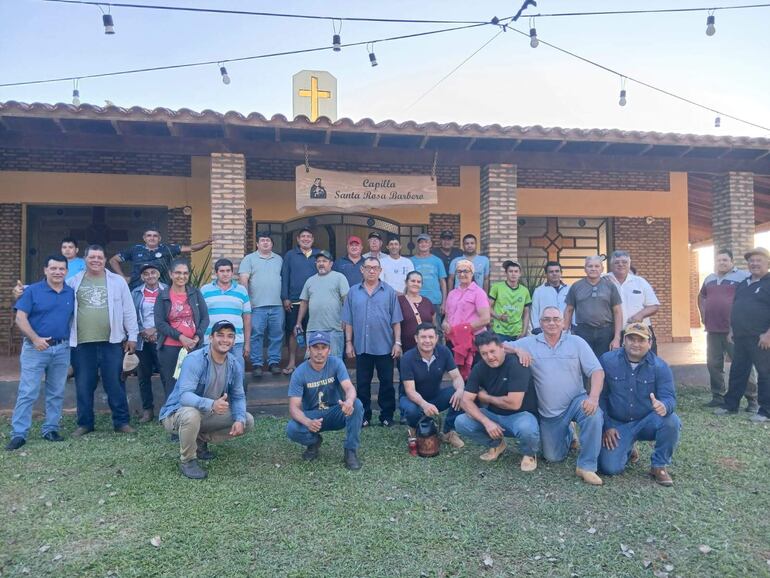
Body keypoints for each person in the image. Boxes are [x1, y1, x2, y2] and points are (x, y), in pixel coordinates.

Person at [507, 306, 605, 485]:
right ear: (540, 323)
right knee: (553, 457)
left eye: (556, 319)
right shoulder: (529, 343)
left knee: (593, 414)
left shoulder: (576, 342)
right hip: (551, 412)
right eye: (546, 319)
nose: (551, 323)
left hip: (577, 401)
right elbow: (498, 346)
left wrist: (593, 398)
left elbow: (597, 371)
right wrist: (517, 350)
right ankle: (569, 433)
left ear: (563, 323)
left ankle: (586, 466)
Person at [159, 320, 255, 480]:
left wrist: (239, 418)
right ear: (211, 338)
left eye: (230, 336)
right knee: (191, 415)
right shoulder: (195, 359)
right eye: (220, 335)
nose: (225, 340)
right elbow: (184, 396)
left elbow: (238, 396)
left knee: (247, 420)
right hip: (176, 413)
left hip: (207, 413)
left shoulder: (234, 364)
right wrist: (211, 404)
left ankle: (199, 440)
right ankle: (188, 460)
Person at [598, 323, 681, 486]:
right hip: (617, 425)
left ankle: (659, 466)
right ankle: (628, 448)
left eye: (641, 340)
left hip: (646, 422)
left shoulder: (660, 366)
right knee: (609, 468)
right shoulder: (607, 361)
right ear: (623, 341)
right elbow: (601, 397)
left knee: (672, 421)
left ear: (649, 343)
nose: (636, 344)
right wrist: (607, 426)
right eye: (631, 339)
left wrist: (664, 406)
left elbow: (669, 397)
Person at [5, 255, 74, 451]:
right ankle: (19, 433)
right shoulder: (32, 291)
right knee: (28, 391)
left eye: (62, 269)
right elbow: (20, 318)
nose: (58, 272)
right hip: (35, 348)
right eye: (53, 268)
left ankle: (51, 428)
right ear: (45, 270)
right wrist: (35, 339)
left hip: (61, 348)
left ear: (66, 271)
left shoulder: (70, 292)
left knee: (56, 392)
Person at [70, 245, 139, 437]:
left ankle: (121, 422)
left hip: (112, 342)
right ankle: (85, 424)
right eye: (92, 257)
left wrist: (132, 336)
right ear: (85, 259)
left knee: (115, 383)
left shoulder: (117, 281)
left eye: (100, 257)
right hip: (82, 344)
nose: (96, 260)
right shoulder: (74, 282)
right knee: (83, 384)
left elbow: (128, 310)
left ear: (104, 259)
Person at [455, 331, 540, 471]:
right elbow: (465, 400)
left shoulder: (517, 364)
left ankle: (529, 454)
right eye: (484, 353)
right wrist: (486, 422)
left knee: (527, 428)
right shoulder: (479, 368)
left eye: (492, 351)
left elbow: (514, 403)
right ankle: (496, 444)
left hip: (521, 415)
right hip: (493, 416)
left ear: (502, 348)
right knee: (461, 422)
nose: (489, 357)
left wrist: (486, 398)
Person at [286, 331, 363, 470]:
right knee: (292, 428)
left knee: (357, 404)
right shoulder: (299, 372)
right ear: (309, 349)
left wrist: (349, 401)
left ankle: (350, 451)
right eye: (315, 347)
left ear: (329, 350)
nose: (319, 352)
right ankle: (314, 442)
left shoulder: (336, 363)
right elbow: (293, 408)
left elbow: (349, 388)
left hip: (335, 411)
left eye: (323, 347)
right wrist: (307, 422)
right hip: (313, 415)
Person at [342, 257, 403, 427]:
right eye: (368, 267)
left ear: (380, 270)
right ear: (362, 270)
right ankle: (364, 416)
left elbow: (396, 320)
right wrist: (348, 342)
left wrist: (397, 343)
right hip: (362, 347)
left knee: (387, 384)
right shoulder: (353, 292)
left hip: (385, 346)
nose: (371, 271)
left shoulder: (389, 292)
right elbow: (349, 320)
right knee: (362, 383)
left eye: (375, 268)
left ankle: (387, 416)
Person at [698, 249, 757, 411]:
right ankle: (718, 396)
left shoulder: (743, 276)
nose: (721, 263)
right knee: (713, 364)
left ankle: (752, 400)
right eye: (718, 260)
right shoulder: (709, 278)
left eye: (725, 260)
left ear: (732, 261)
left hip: (736, 331)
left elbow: (753, 298)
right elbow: (701, 296)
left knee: (742, 364)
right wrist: (703, 315)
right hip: (713, 329)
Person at [716, 247, 770, 423]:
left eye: (758, 261)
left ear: (767, 263)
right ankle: (730, 405)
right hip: (740, 336)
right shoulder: (744, 284)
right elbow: (737, 308)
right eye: (751, 261)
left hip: (761, 338)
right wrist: (732, 330)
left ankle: (766, 411)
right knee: (738, 371)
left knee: (765, 373)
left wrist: (768, 334)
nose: (754, 264)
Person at [399, 322, 465, 449]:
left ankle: (448, 432)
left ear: (436, 338)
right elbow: (410, 391)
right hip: (411, 400)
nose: (427, 341)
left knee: (461, 394)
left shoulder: (444, 352)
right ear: (416, 339)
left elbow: (456, 377)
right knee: (412, 410)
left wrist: (460, 389)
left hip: (435, 397)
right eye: (423, 337)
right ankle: (415, 429)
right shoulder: (407, 358)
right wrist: (424, 404)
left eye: (430, 337)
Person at [155, 259, 209, 402]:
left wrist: (197, 338)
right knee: (172, 383)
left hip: (194, 347)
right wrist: (181, 337)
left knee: (195, 382)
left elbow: (205, 319)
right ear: (170, 274)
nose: (182, 276)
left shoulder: (195, 293)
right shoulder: (163, 295)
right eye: (178, 273)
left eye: (185, 273)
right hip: (170, 348)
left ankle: (192, 415)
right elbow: (160, 323)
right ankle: (171, 415)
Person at [239, 231, 284, 379]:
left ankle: (274, 363)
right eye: (262, 240)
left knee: (276, 335)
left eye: (268, 241)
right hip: (256, 306)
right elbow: (244, 279)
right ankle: (257, 364)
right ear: (257, 243)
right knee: (256, 335)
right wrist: (246, 302)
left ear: (272, 244)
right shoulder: (249, 259)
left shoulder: (279, 259)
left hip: (277, 305)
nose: (265, 243)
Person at [109, 226, 211, 289]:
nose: (152, 238)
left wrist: (207, 242)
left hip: (161, 290)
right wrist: (122, 277)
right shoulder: (135, 249)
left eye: (155, 236)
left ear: (159, 238)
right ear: (144, 238)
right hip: (137, 288)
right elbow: (113, 260)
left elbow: (191, 248)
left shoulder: (167, 248)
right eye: (149, 235)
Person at [563, 255, 623, 360]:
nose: (593, 269)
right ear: (585, 269)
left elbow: (617, 312)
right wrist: (564, 333)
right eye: (590, 266)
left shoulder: (610, 286)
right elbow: (569, 310)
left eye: (597, 266)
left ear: (602, 269)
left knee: (605, 362)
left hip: (606, 332)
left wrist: (617, 337)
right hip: (583, 332)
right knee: (583, 362)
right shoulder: (576, 286)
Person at [130, 263, 167, 423]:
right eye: (146, 274)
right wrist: (142, 331)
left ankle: (169, 410)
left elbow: (172, 315)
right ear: (142, 277)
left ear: (158, 274)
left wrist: (156, 330)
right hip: (142, 340)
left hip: (164, 339)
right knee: (143, 376)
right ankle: (148, 410)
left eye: (153, 272)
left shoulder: (168, 291)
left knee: (167, 376)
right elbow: (130, 315)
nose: (150, 276)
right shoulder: (136, 293)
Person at [281, 228, 320, 375]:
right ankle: (292, 362)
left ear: (313, 239)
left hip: (315, 301)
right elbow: (285, 276)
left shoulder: (318, 255)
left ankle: (312, 362)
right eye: (303, 237)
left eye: (309, 236)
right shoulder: (290, 255)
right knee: (294, 332)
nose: (306, 239)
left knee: (314, 332)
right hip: (295, 300)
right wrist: (285, 297)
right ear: (298, 239)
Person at [296, 251, 350, 358]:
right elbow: (304, 302)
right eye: (319, 261)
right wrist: (298, 322)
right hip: (313, 329)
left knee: (333, 361)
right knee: (312, 361)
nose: (321, 263)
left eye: (324, 261)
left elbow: (347, 301)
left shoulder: (339, 277)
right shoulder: (310, 281)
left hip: (334, 329)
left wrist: (346, 319)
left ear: (331, 263)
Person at [443, 259, 491, 378]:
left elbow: (485, 319)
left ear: (472, 273)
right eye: (459, 271)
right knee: (456, 375)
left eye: (466, 271)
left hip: (472, 340)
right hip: (454, 340)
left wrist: (463, 329)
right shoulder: (452, 293)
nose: (462, 274)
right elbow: (447, 317)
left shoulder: (478, 293)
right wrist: (445, 324)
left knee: (472, 375)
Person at [201, 259, 251, 374]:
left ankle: (237, 393)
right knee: (212, 375)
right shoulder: (204, 290)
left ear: (232, 272)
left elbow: (247, 318)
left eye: (228, 270)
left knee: (237, 374)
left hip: (236, 340)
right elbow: (200, 316)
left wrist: (247, 343)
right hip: (211, 340)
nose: (225, 274)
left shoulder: (242, 290)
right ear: (216, 273)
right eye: (222, 271)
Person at [606, 250, 661, 351]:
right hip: (612, 333)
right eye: (617, 262)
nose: (620, 265)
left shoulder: (640, 282)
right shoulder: (604, 280)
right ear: (611, 265)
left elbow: (654, 306)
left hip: (639, 331)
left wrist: (640, 315)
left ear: (629, 263)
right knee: (614, 364)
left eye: (624, 262)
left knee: (646, 363)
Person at [409, 233, 447, 326]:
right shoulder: (410, 261)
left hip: (435, 301)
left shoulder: (437, 261)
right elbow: (407, 282)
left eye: (426, 242)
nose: (423, 244)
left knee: (436, 329)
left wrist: (444, 303)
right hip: (416, 299)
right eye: (421, 242)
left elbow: (443, 282)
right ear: (417, 245)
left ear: (430, 244)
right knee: (416, 327)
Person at [489, 260, 532, 342]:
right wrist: (498, 316)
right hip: (499, 331)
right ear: (506, 273)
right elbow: (488, 307)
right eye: (510, 271)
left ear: (520, 274)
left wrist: (524, 332)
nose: (513, 274)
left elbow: (526, 313)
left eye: (516, 271)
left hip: (517, 332)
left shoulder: (524, 291)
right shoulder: (497, 287)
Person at [530, 261, 570, 334]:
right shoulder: (539, 291)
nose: (554, 273)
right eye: (551, 272)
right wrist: (537, 329)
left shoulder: (569, 289)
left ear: (561, 273)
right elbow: (534, 311)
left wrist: (572, 328)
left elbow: (573, 310)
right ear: (546, 274)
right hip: (545, 331)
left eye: (557, 271)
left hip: (565, 331)